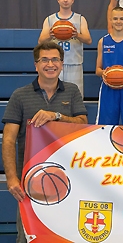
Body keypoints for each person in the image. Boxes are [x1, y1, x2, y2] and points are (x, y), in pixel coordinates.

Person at [2, 42, 88, 243]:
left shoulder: (72, 91)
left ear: (62, 63)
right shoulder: (20, 95)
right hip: (30, 180)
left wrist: (56, 116)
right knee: (28, 237)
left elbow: (83, 125)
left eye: (55, 59)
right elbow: (8, 139)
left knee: (63, 235)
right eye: (45, 60)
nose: (50, 64)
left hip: (66, 178)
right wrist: (12, 178)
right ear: (36, 65)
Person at [38, 0, 92, 97]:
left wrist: (77, 35)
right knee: (53, 96)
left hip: (74, 64)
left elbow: (88, 40)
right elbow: (40, 41)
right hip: (53, 64)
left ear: (73, 0)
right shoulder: (50, 19)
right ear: (58, 0)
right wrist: (50, 35)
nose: (65, 0)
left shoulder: (80, 19)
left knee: (75, 97)